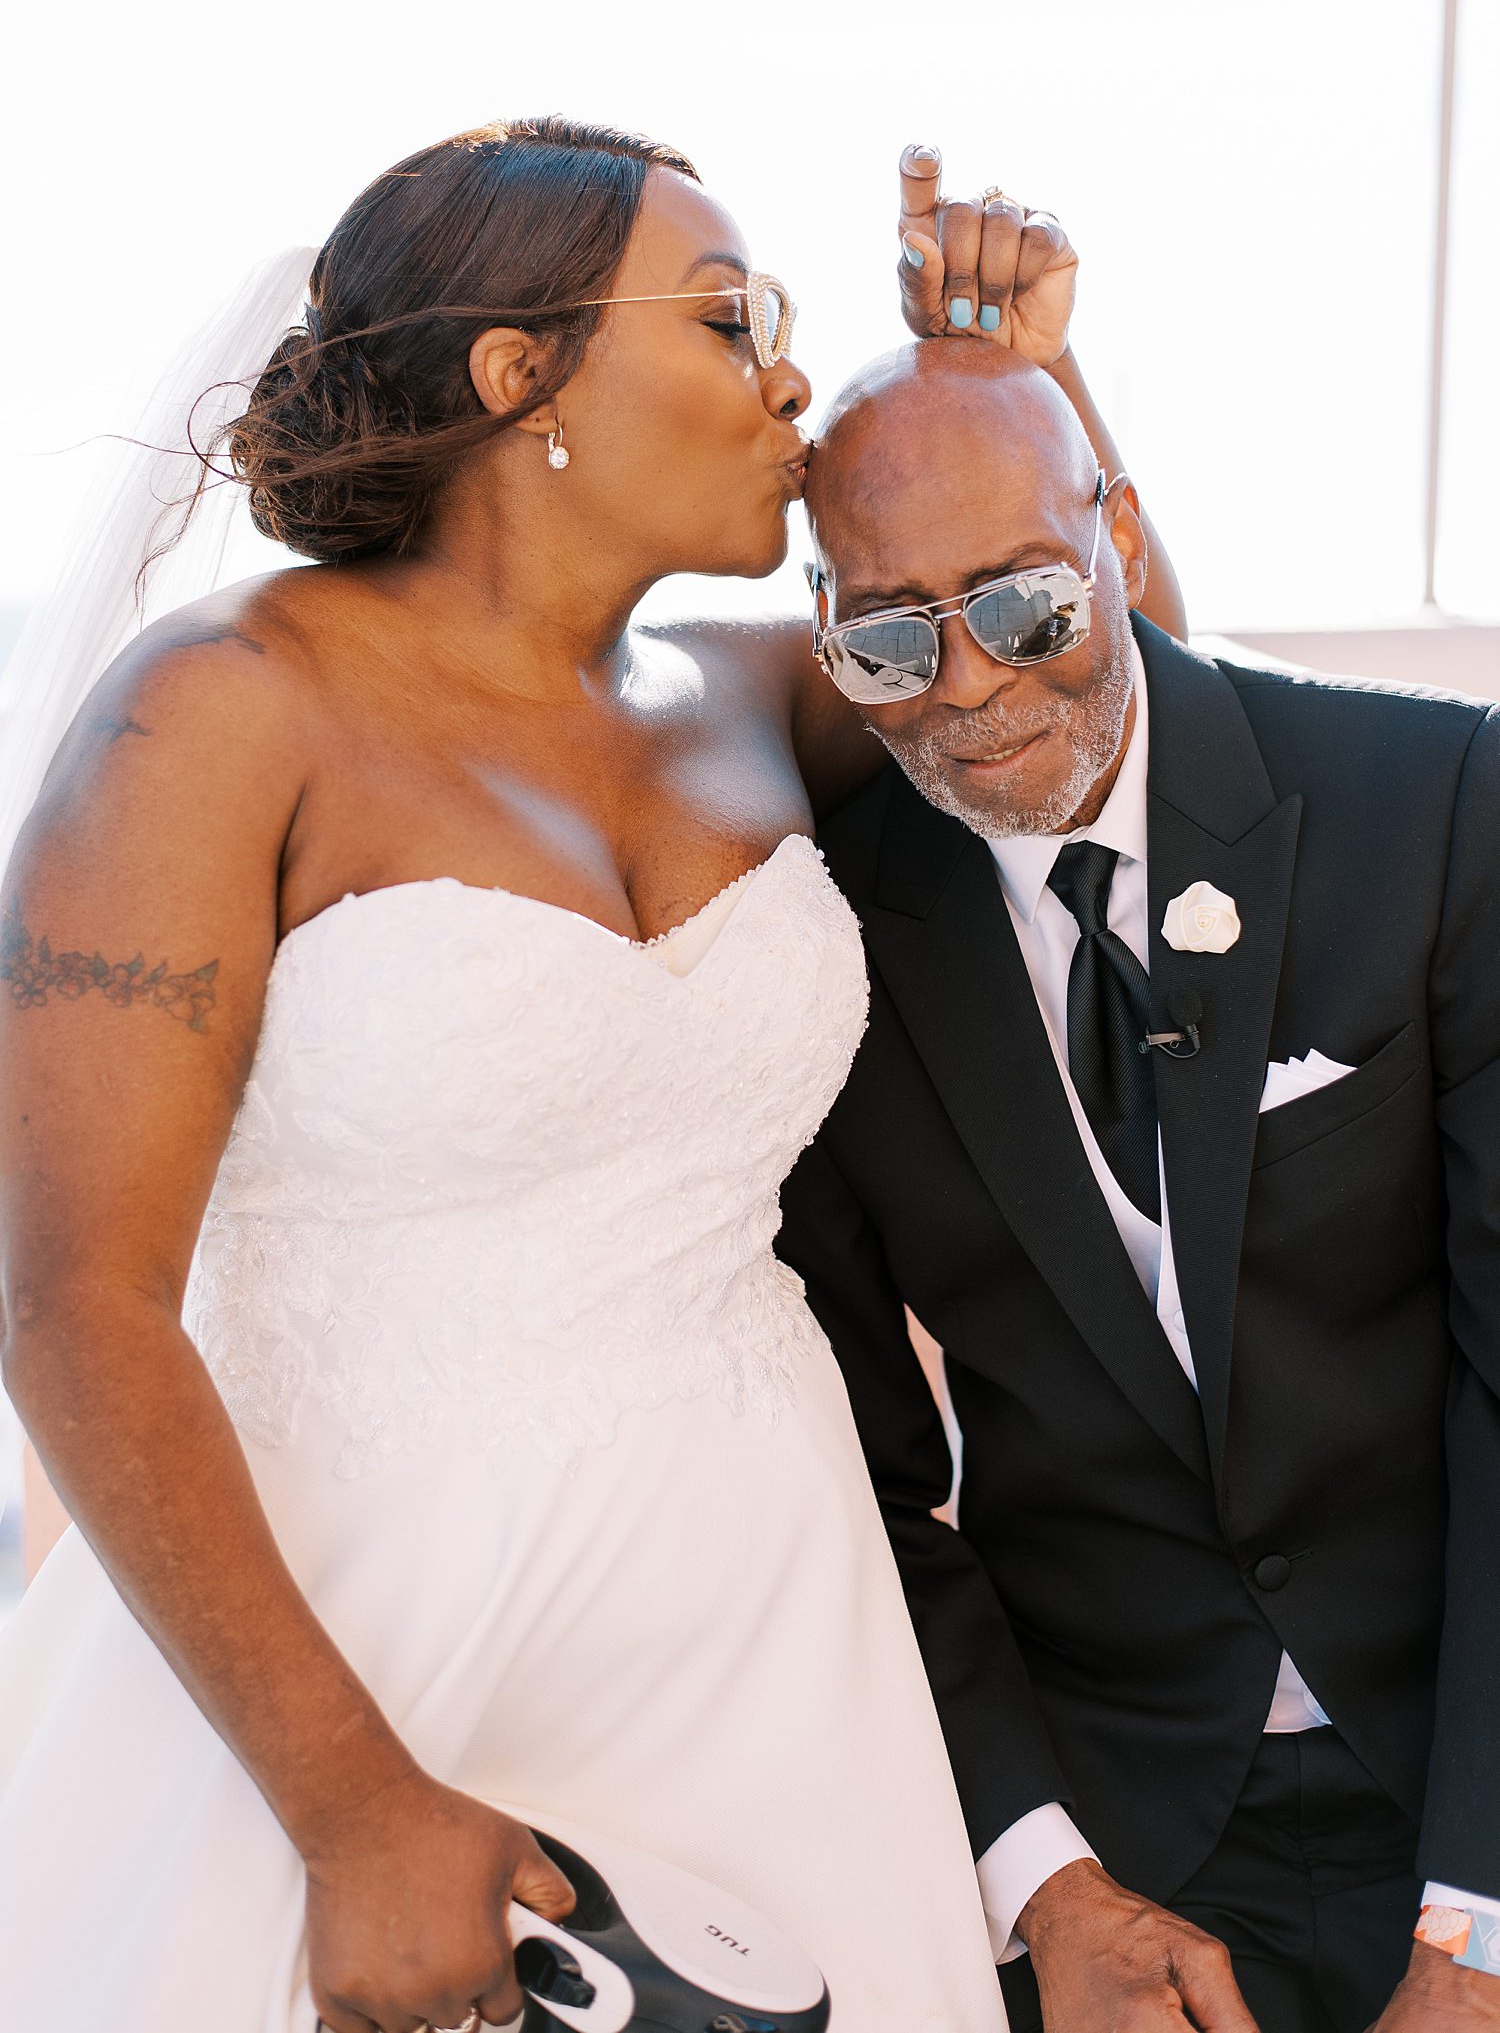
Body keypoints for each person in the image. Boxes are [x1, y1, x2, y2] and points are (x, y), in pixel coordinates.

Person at [0, 119, 1178, 2032]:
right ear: (517, 373)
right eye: (731, 320)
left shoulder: (763, 690)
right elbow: (75, 1305)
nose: (792, 375)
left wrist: (1020, 376)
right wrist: (352, 1803)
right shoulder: (216, 713)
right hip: (351, 1643)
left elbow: (1097, 694)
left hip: (772, 1634)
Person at [776, 298, 1500, 2033]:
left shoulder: (1435, 800)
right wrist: (1044, 1880)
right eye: (888, 642)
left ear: (1119, 527)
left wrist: (1476, 1927)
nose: (973, 691)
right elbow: (863, 1479)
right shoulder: (815, 945)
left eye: (1026, 605)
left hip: (1462, 1772)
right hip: (1120, 1839)